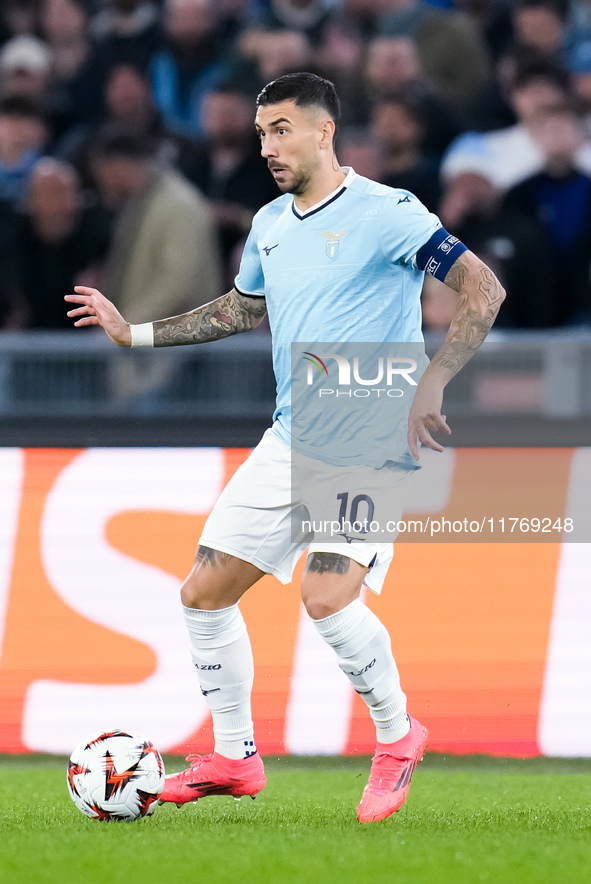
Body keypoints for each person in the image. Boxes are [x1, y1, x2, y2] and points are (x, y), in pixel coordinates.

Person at [65, 72, 505, 823]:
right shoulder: (270, 222)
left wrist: (434, 379)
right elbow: (242, 308)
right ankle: (235, 756)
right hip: (290, 435)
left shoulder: (388, 212)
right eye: (262, 131)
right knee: (201, 594)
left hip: (369, 435)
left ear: (324, 131)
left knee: (326, 598)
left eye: (281, 130)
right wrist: (131, 331)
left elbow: (483, 288)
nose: (267, 145)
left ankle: (398, 738)